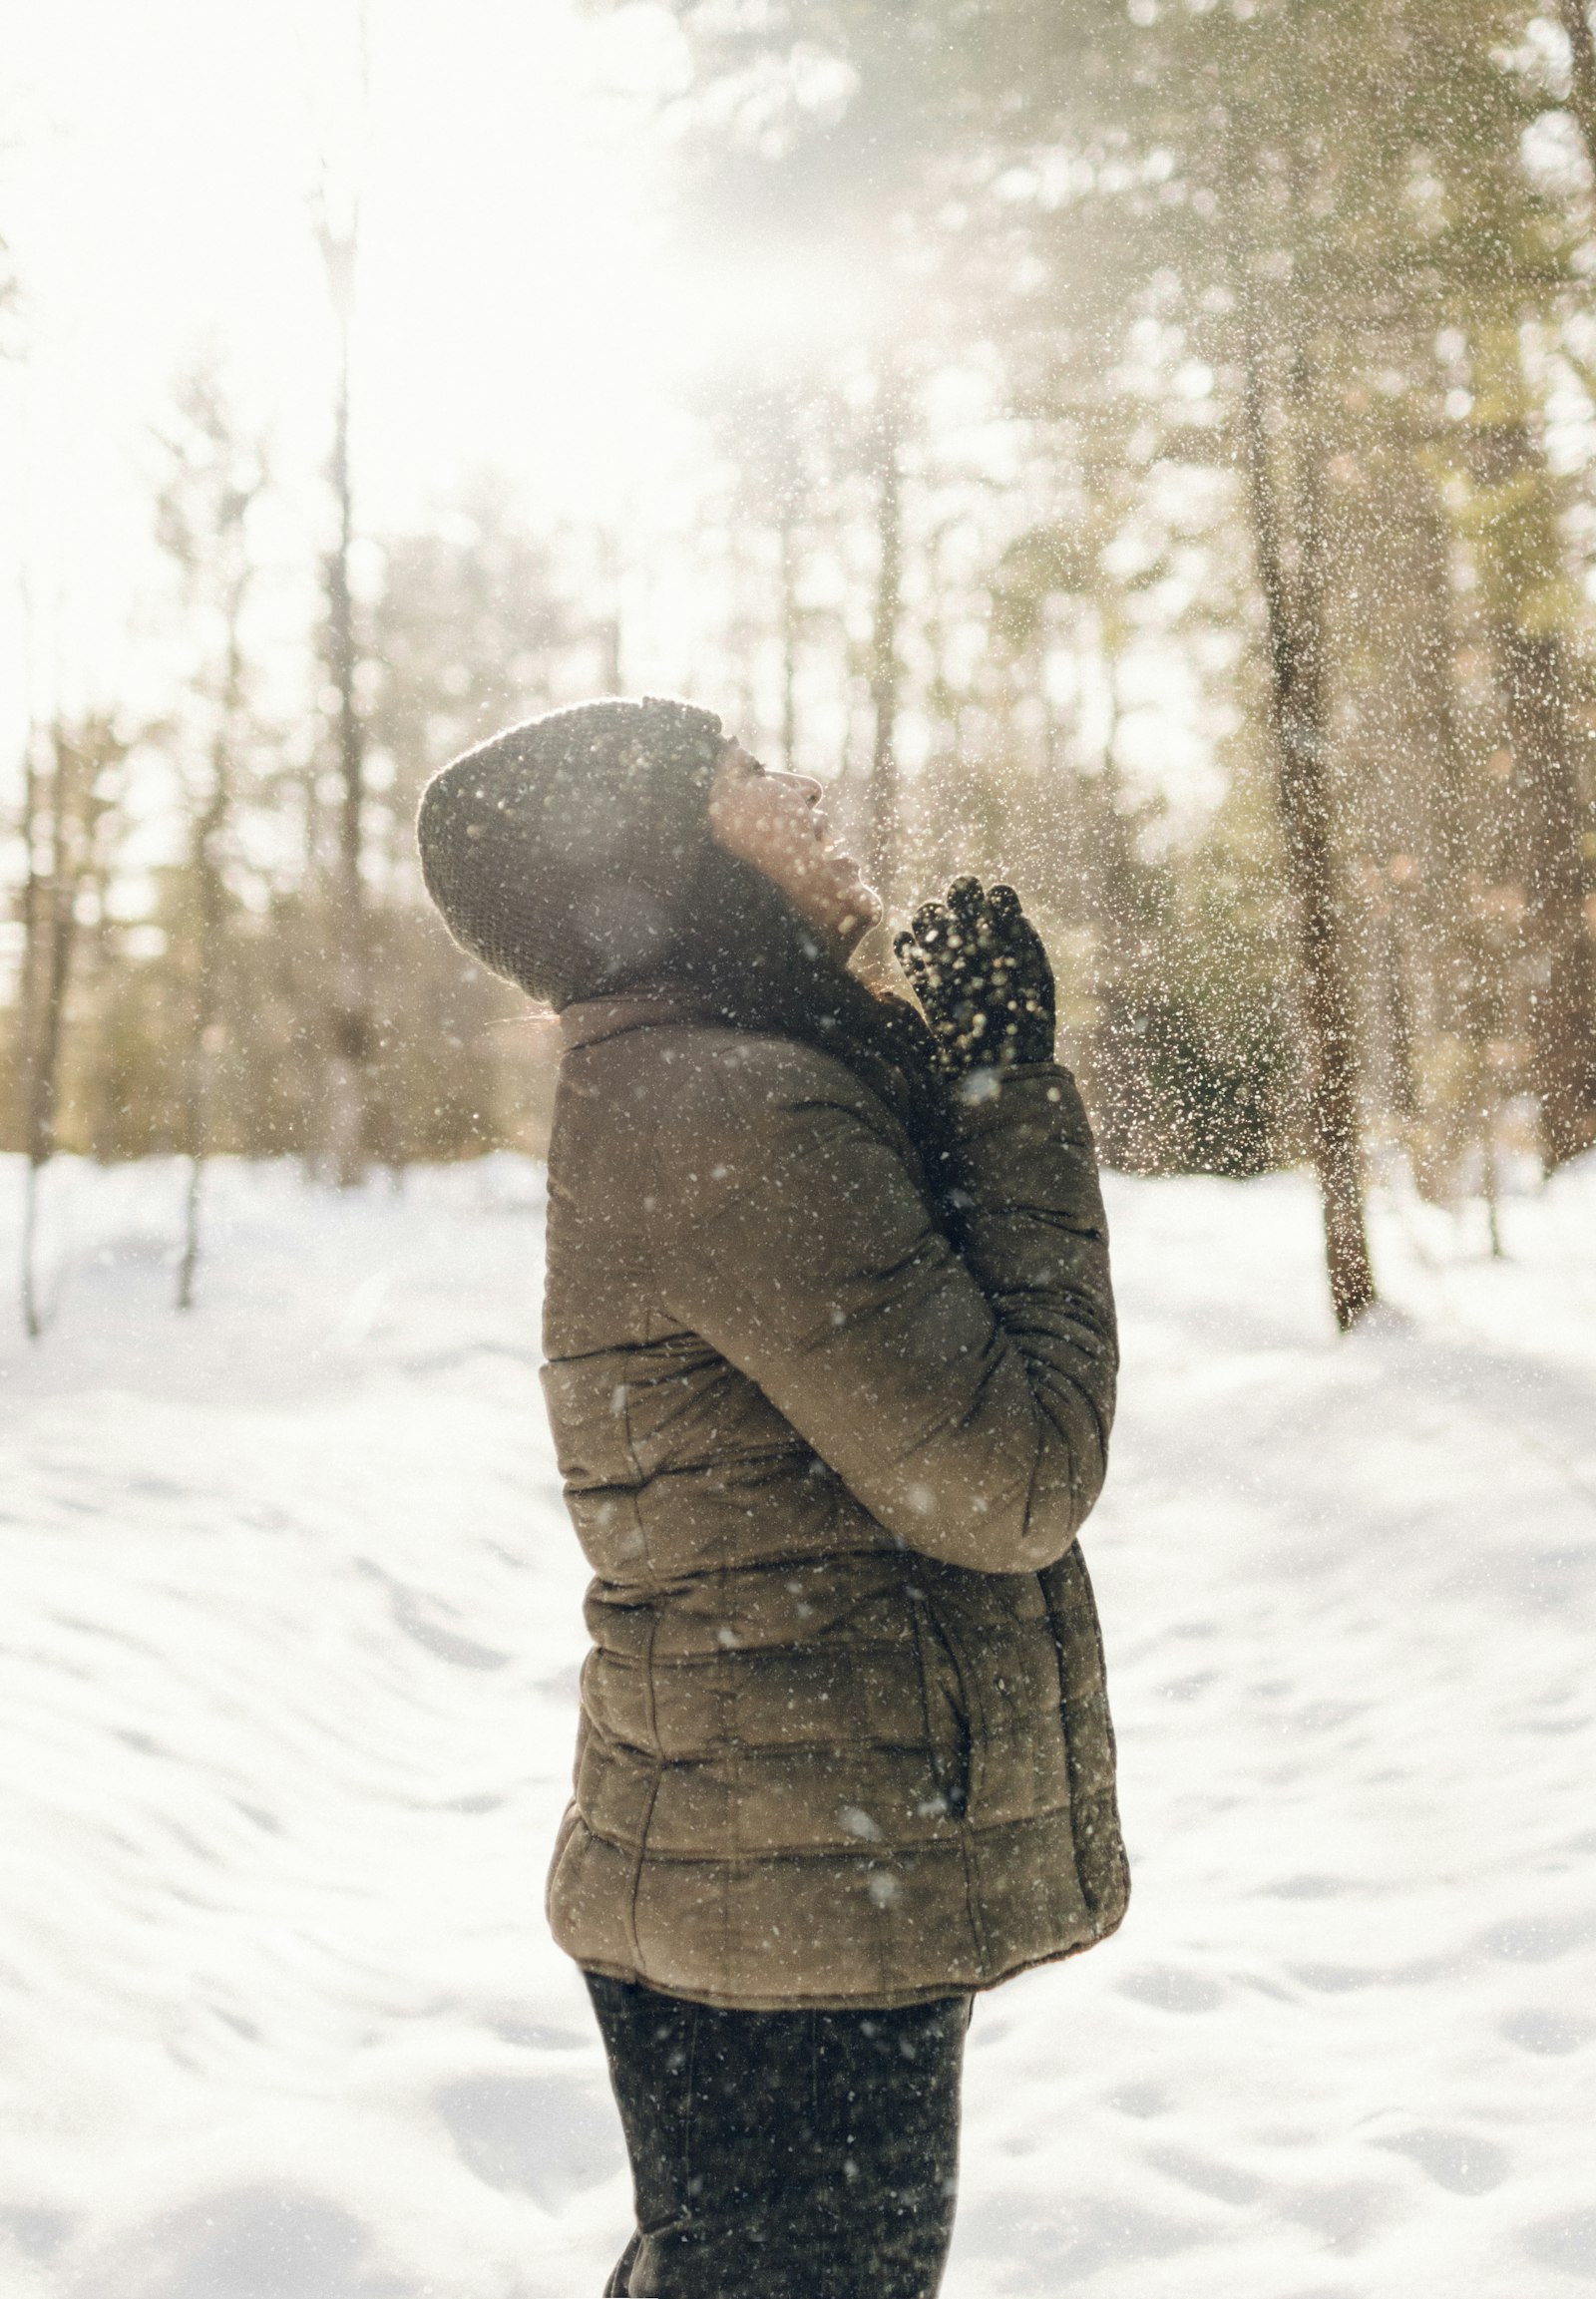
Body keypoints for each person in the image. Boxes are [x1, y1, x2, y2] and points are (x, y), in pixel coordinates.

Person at [416, 695, 1126, 2299]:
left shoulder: (710, 1078)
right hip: (792, 1900)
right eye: (742, 774)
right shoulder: (730, 1105)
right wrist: (1012, 1094)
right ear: (667, 860)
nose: (801, 785)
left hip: (776, 1872)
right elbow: (1016, 1473)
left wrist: (956, 1074)